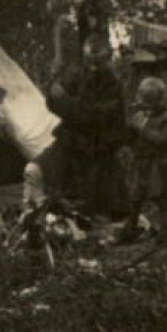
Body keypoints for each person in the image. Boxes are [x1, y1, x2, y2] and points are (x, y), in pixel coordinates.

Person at [45, 33, 127, 218]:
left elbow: (93, 116)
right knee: (59, 175)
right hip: (76, 139)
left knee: (101, 198)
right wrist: (53, 93)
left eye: (99, 63)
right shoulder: (78, 74)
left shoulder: (112, 83)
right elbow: (54, 102)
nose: (94, 68)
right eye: (90, 62)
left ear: (107, 59)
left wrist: (65, 100)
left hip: (99, 143)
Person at [122, 76, 167, 246]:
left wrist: (143, 130)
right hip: (141, 164)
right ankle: (130, 230)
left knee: (163, 201)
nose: (143, 106)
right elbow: (131, 138)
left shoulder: (166, 118)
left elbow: (166, 140)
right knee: (134, 199)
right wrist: (130, 130)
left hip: (159, 165)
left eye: (148, 102)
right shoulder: (141, 115)